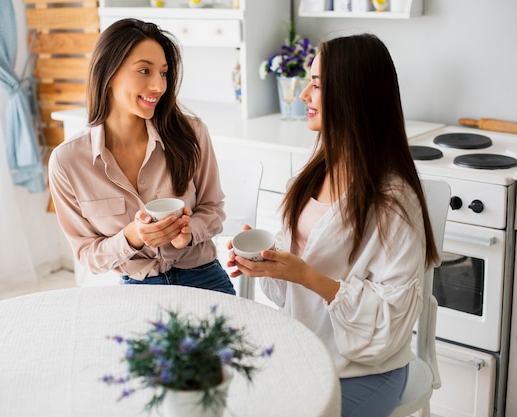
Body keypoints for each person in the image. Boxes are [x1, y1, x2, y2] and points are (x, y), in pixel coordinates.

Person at [227, 34, 440, 416]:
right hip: (304, 349)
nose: (303, 95)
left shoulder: (393, 200)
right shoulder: (313, 171)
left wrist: (308, 276)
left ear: (352, 95)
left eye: (317, 85)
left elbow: (391, 322)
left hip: (365, 370)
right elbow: (295, 282)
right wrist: (269, 263)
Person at [48, 18, 235, 295]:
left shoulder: (192, 133)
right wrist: (131, 237)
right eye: (144, 71)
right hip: (137, 290)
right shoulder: (68, 162)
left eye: (163, 73)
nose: (158, 86)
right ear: (108, 74)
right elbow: (88, 254)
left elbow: (213, 208)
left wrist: (189, 231)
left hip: (203, 277)